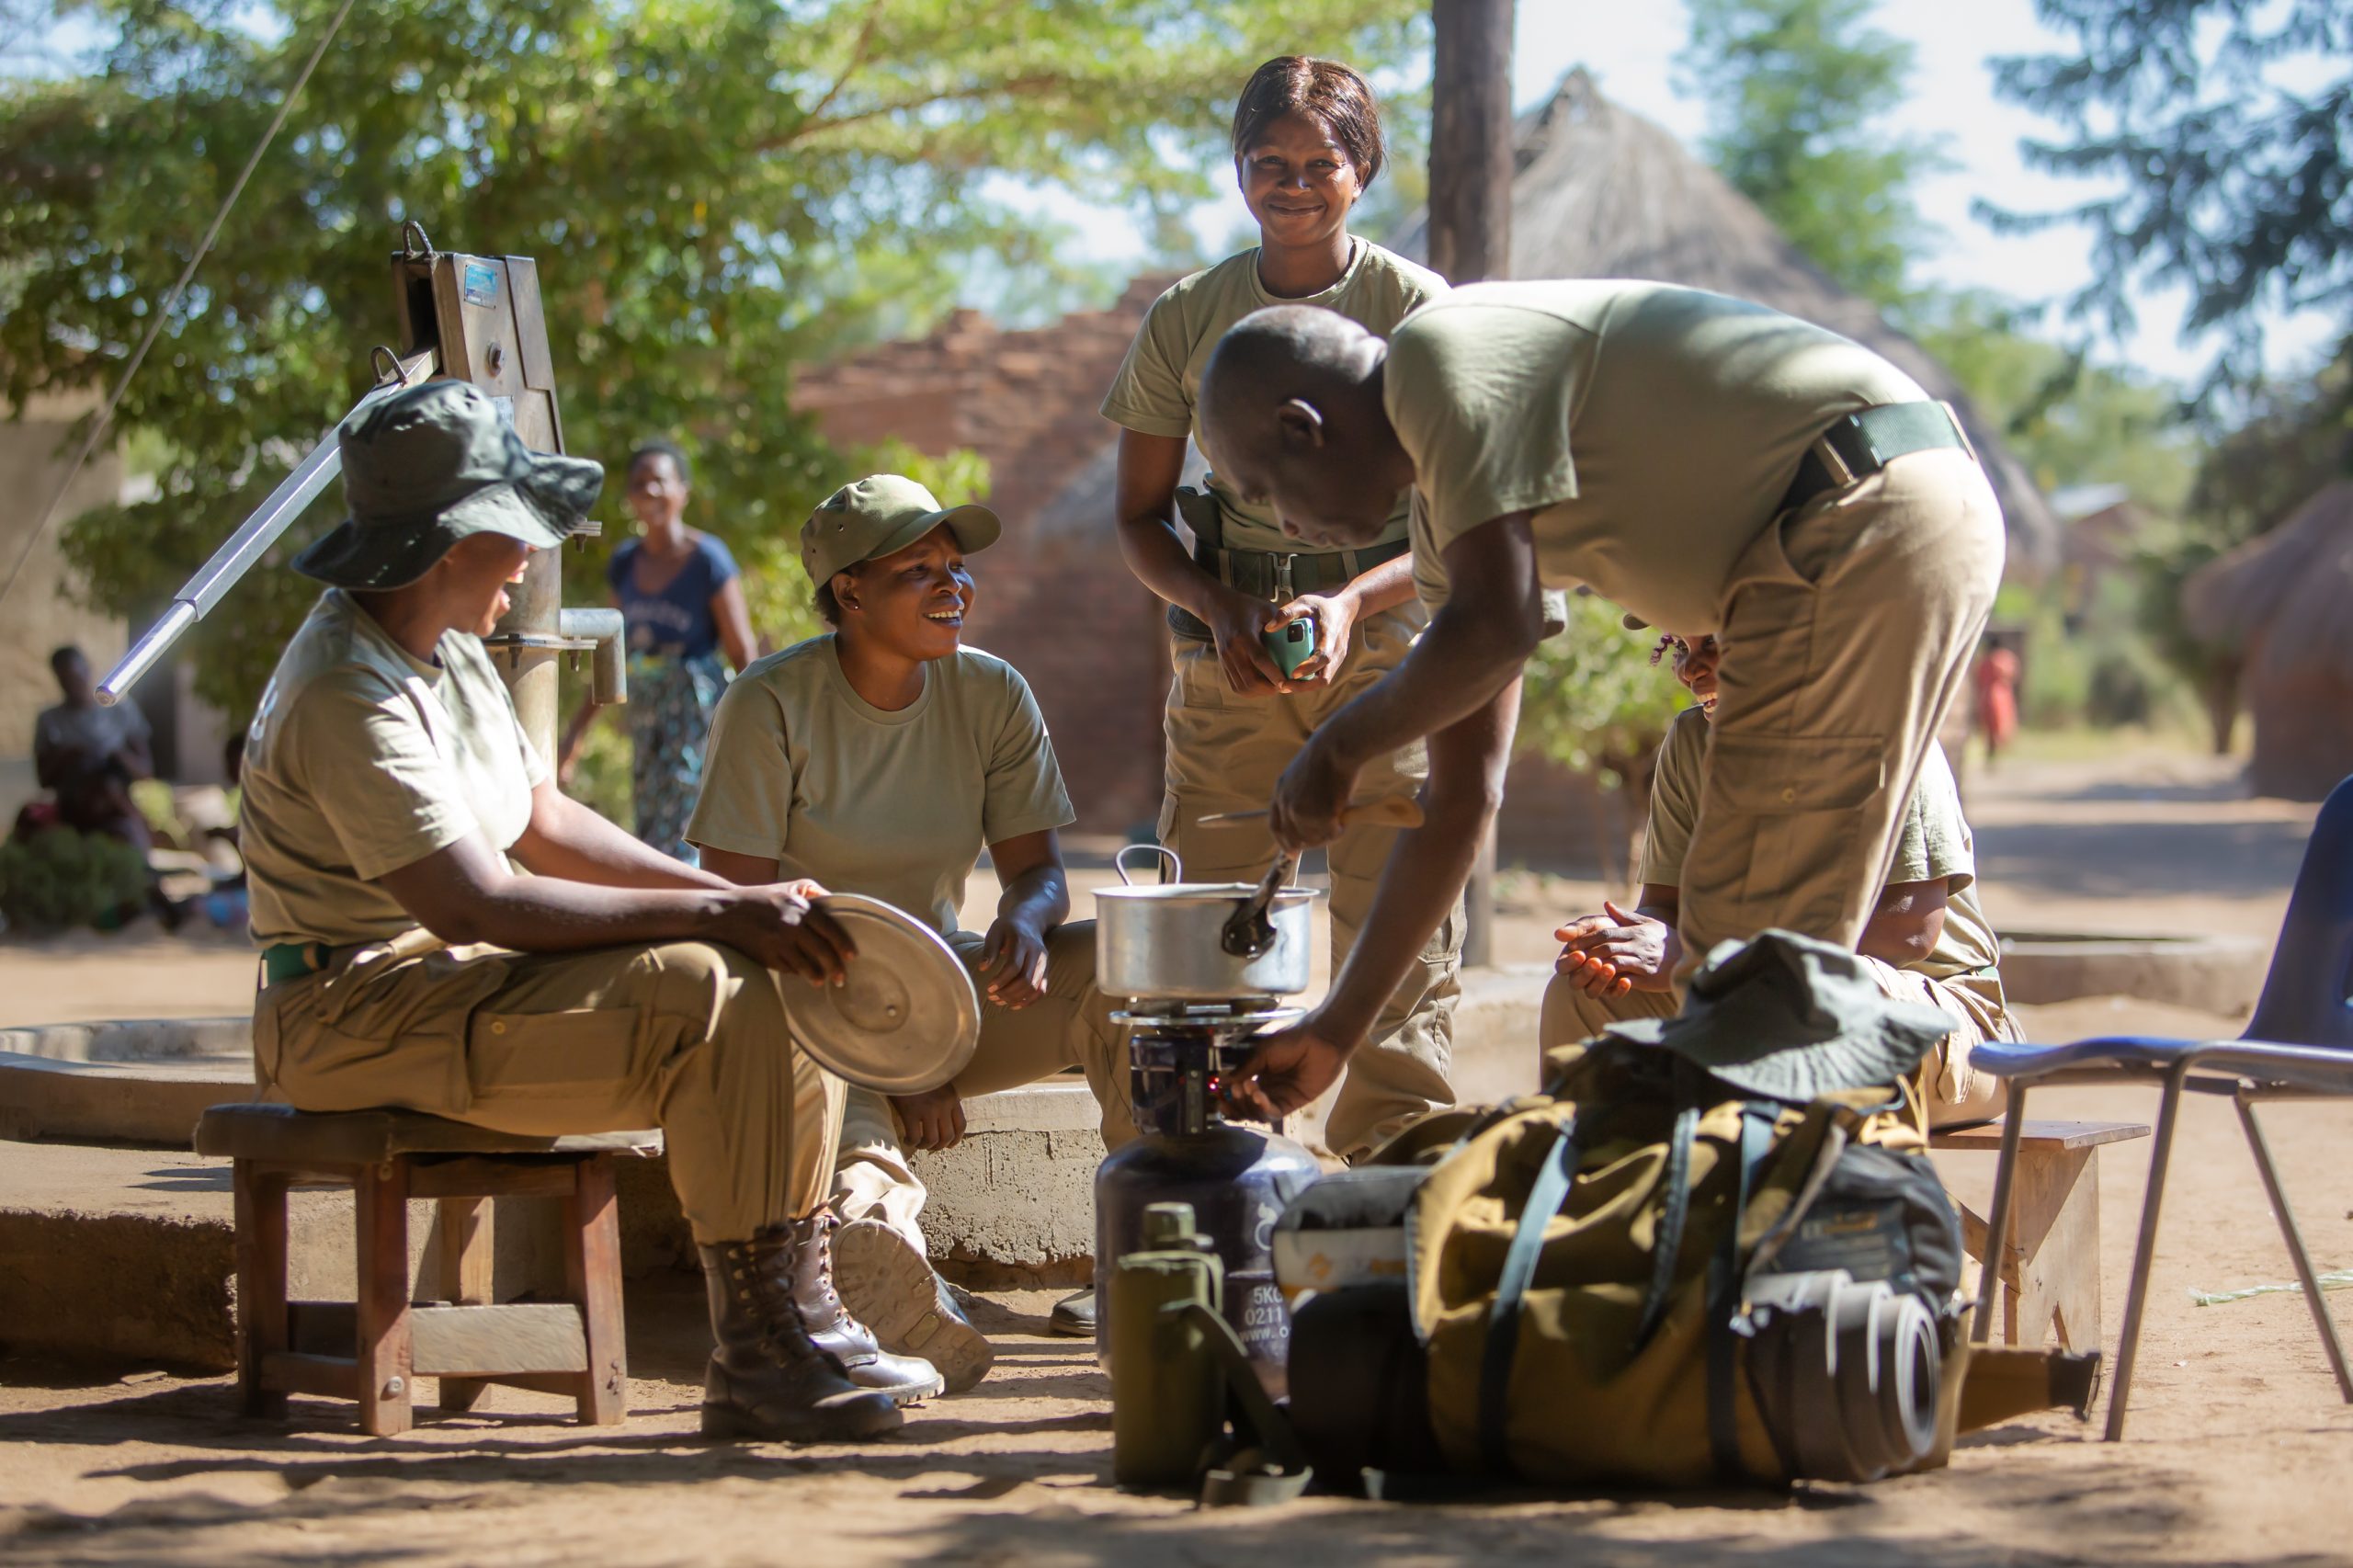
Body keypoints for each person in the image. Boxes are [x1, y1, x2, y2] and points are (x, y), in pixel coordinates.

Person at [237, 379, 922, 1443]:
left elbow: (542, 817)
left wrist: (736, 895)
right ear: (444, 543)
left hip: (441, 984)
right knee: (703, 982)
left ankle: (798, 1308)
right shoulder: (346, 690)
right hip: (343, 1013)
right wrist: (716, 922)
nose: (527, 560)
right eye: (510, 535)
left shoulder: (454, 653)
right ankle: (757, 1347)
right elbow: (480, 896)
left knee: (781, 963)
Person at [1193, 281, 2007, 1124]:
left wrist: (1335, 749)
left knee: (1748, 990)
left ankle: (1800, 1235)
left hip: (1859, 506)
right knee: (1732, 979)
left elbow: (1497, 628)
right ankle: (1753, 1222)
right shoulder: (1455, 530)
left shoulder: (1441, 355)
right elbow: (1463, 798)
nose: (1285, 530)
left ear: (1303, 427)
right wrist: (1334, 1030)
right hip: (1826, 546)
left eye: (1265, 493)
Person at [688, 473, 1133, 1384]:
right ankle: (882, 1270)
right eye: (918, 569)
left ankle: (1145, 1258)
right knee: (853, 1133)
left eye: (957, 568)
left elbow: (1038, 868)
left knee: (1127, 966)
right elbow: (732, 914)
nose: (952, 587)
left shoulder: (991, 694)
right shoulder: (769, 704)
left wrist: (1026, 919)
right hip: (802, 1006)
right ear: (848, 590)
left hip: (942, 994)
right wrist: (906, 1062)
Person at [1100, 54, 1461, 1165]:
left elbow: (1459, 530)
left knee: (1391, 917)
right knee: (1206, 926)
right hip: (1232, 652)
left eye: (1321, 162)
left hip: (1390, 637)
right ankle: (1187, 1193)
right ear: (1238, 170)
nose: (1293, 183)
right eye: (1269, 162)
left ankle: (1394, 1192)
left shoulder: (1417, 312)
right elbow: (1139, 518)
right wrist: (1217, 607)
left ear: (1363, 171)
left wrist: (1352, 600)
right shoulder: (1189, 315)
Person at [1545, 631, 2015, 1127]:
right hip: (1743, 997)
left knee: (1811, 994)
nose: (1689, 670)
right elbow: (1667, 907)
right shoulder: (1691, 742)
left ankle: (1821, 1192)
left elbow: (1909, 931)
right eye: (1682, 649)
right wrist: (1625, 941)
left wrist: (1706, 958)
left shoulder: (1885, 729)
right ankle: (1600, 1190)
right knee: (1584, 988)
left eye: (1713, 643)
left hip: (1939, 1020)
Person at [559, 439, 756, 862]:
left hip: (696, 719)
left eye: (659, 481)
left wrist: (762, 734)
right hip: (647, 719)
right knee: (649, 823)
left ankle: (692, 912)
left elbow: (743, 655)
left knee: (688, 824)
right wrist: (574, 734)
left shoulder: (708, 561)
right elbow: (612, 651)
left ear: (682, 490)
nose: (649, 492)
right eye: (639, 483)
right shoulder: (625, 563)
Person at [35, 645, 156, 848]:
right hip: (74, 813)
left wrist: (116, 756)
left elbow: (146, 771)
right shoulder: (50, 721)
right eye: (65, 681)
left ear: (87, 670)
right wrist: (68, 756)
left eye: (75, 677)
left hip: (116, 809)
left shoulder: (122, 712)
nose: (73, 686)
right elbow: (43, 779)